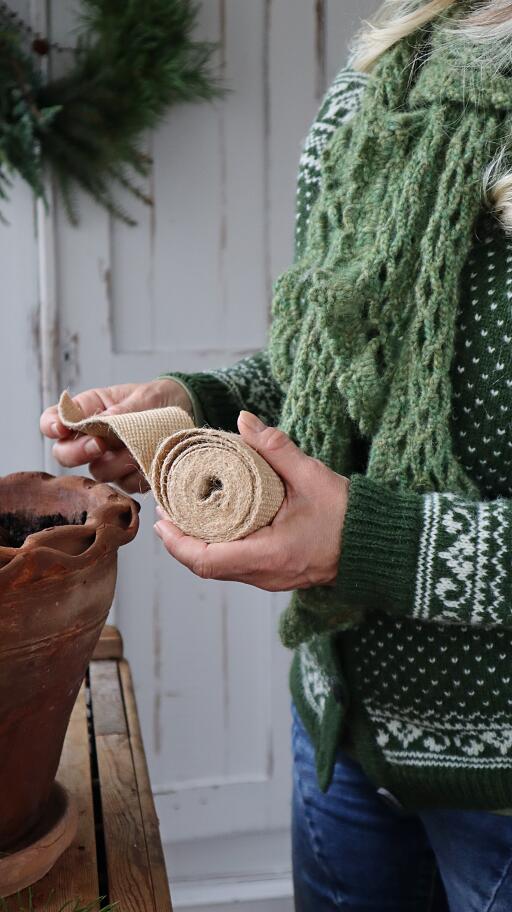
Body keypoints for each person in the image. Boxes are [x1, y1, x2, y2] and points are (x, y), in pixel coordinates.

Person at [41, 0, 512, 908]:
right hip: (341, 737)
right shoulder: (384, 69)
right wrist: (198, 405)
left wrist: (365, 541)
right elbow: (336, 361)